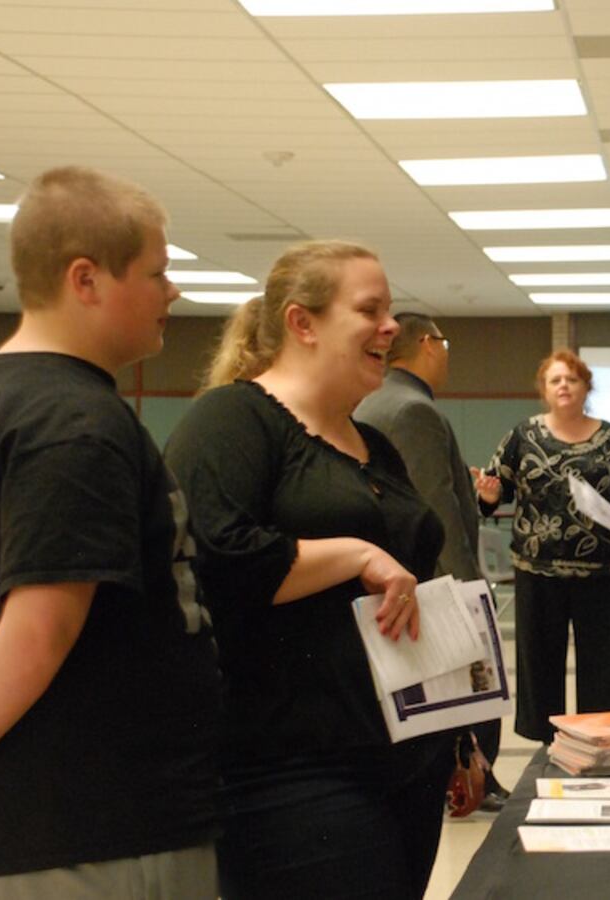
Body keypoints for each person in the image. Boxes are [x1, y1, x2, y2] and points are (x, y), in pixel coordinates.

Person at [0, 167, 221, 896]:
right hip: (95, 834)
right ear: (86, 279)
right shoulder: (70, 424)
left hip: (56, 828)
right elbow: (38, 626)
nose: (171, 291)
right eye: (157, 271)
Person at [165, 240, 453, 900]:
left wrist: (457, 728)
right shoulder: (232, 420)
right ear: (303, 323)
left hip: (406, 756)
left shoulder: (372, 444)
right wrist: (354, 553)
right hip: (292, 770)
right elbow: (214, 558)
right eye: (370, 309)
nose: (391, 326)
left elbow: (419, 581)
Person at [354, 313, 509, 810]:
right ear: (427, 344)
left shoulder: (371, 401)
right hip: (429, 582)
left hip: (386, 578)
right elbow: (433, 512)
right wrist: (467, 595)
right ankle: (471, 774)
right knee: (462, 690)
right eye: (445, 342)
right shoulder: (413, 410)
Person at [472, 349, 610, 743]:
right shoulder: (523, 436)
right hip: (538, 572)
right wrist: (488, 493)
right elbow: (494, 493)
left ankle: (602, 745)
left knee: (603, 670)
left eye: (571, 378)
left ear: (586, 387)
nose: (563, 385)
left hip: (599, 573)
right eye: (555, 380)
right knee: (539, 667)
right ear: (544, 391)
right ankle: (543, 748)